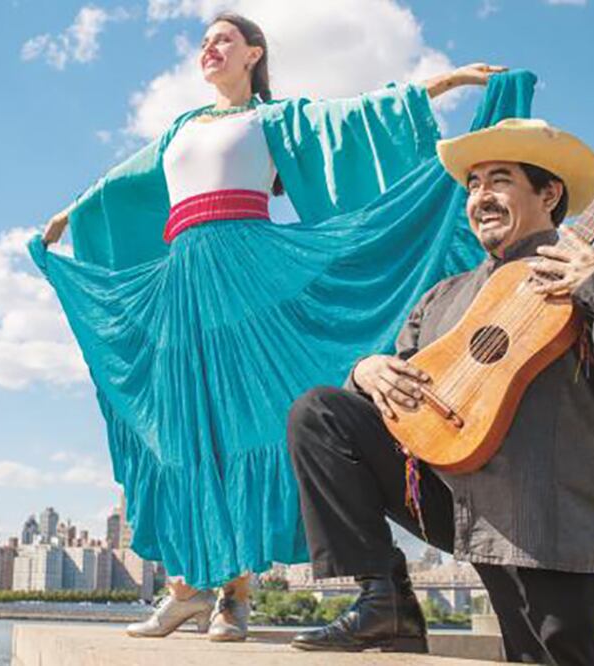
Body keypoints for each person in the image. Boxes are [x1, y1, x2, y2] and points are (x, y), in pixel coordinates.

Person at [31, 12, 514, 642]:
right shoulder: (180, 127)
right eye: (204, 41)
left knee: (242, 423)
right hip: (183, 285)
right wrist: (69, 215)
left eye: (223, 39)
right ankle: (186, 590)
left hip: (249, 273)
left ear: (253, 53)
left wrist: (448, 83)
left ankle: (235, 596)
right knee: (184, 428)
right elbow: (120, 181)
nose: (210, 48)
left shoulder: (273, 118)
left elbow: (359, 114)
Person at [286, 118, 594, 663]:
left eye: (498, 179)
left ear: (549, 193)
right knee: (320, 412)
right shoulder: (444, 297)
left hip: (545, 523)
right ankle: (383, 597)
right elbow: (390, 408)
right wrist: (366, 373)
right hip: (449, 498)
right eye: (473, 184)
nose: (480, 195)